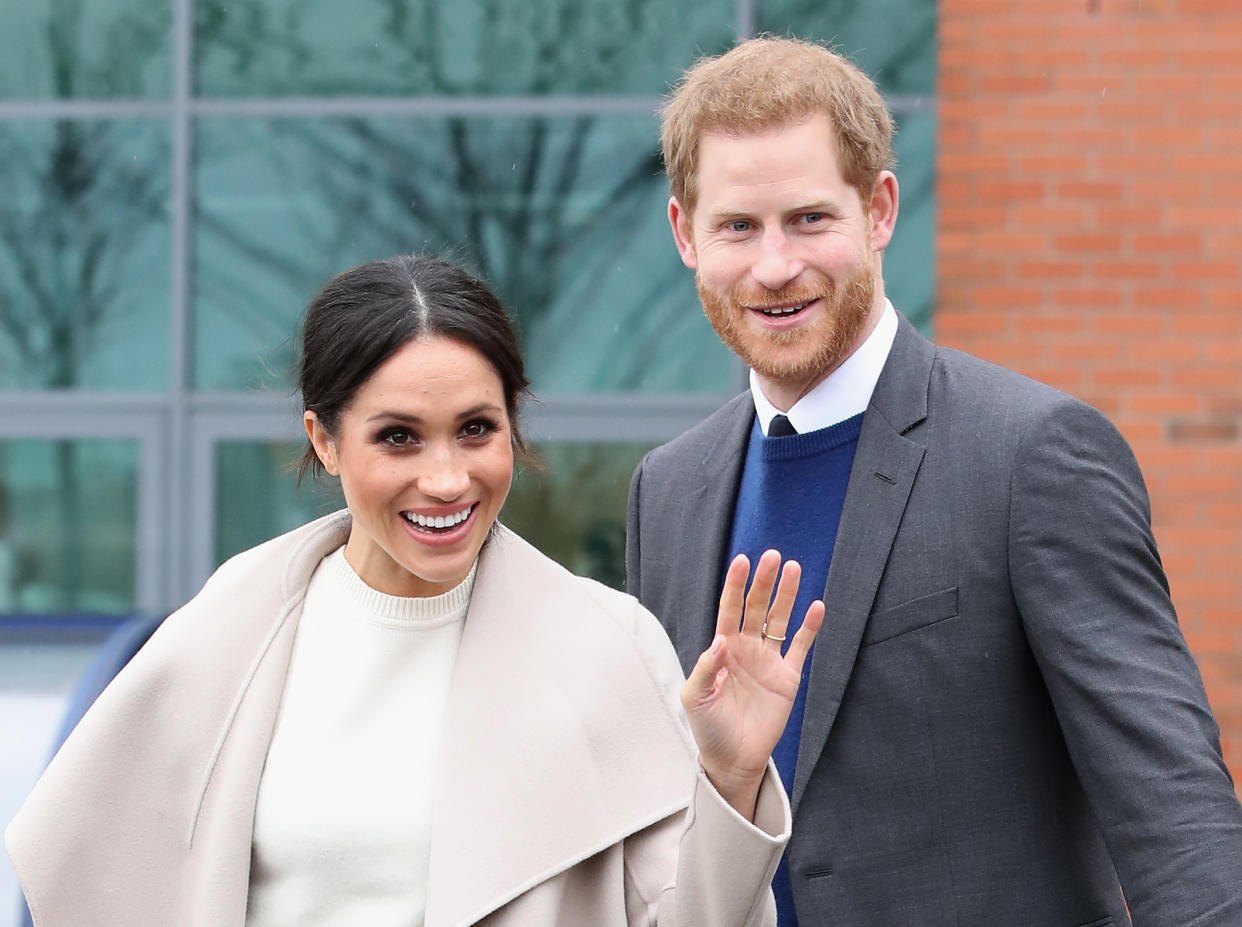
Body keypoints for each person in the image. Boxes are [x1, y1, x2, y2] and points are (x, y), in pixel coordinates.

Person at [6, 253, 824, 927]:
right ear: (323, 441)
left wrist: (731, 781)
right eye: (398, 436)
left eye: (477, 428)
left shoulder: (610, 643)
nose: (446, 477)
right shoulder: (230, 628)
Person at [625, 35, 1242, 927]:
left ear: (879, 211)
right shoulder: (667, 491)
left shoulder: (1031, 453)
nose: (773, 266)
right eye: (737, 227)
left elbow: (1172, 804)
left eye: (809, 218)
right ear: (686, 234)